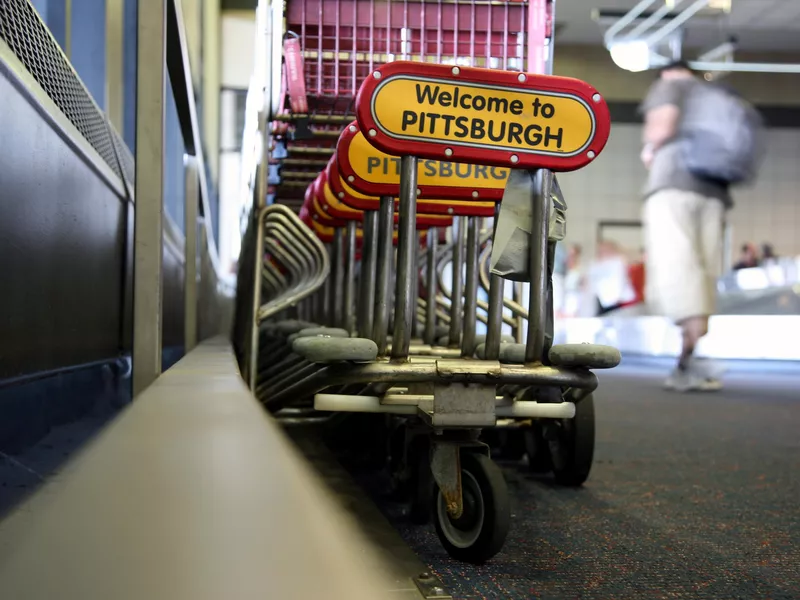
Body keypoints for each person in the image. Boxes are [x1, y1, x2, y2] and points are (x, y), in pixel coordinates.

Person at [640, 60, 728, 392]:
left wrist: (650, 149)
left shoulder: (670, 86)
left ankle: (689, 360)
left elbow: (660, 128)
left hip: (673, 186)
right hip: (713, 190)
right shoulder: (714, 95)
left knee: (677, 270)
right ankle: (689, 355)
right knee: (702, 273)